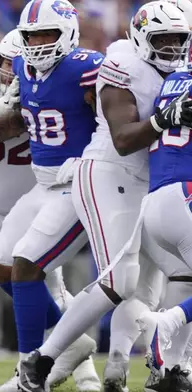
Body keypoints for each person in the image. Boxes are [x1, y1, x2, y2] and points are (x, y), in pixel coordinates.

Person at [18, 2, 192, 391]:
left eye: (178, 38)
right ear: (140, 37)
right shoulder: (123, 62)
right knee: (119, 279)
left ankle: (139, 369)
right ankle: (41, 359)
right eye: (161, 39)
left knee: (174, 275)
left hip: (150, 185)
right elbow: (123, 138)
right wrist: (165, 118)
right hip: (108, 171)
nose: (171, 47)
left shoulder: (182, 72)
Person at [0, 29, 100, 392]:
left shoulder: (60, 85)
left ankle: (85, 369)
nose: (13, 71)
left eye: (19, 63)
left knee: (48, 290)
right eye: (7, 63)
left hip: (36, 196)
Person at [0, 1, 104, 391]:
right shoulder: (20, 66)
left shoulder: (88, 67)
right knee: (0, 265)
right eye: (31, 35)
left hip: (79, 182)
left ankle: (30, 375)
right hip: (44, 184)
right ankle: (66, 343)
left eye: (47, 34)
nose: (37, 43)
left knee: (26, 266)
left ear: (68, 34)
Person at [136, 68, 192, 392]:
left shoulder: (175, 79)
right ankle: (166, 322)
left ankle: (171, 370)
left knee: (185, 280)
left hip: (157, 200)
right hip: (184, 196)